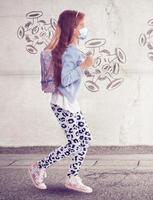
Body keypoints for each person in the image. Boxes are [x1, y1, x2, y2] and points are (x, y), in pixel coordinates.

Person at [28, 10, 94, 193]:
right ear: (72, 28)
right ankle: (39, 167)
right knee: (75, 143)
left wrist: (83, 64)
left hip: (70, 103)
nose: (84, 29)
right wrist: (83, 66)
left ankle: (72, 177)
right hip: (62, 103)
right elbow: (65, 80)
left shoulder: (71, 49)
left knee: (85, 138)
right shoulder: (69, 51)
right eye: (81, 26)